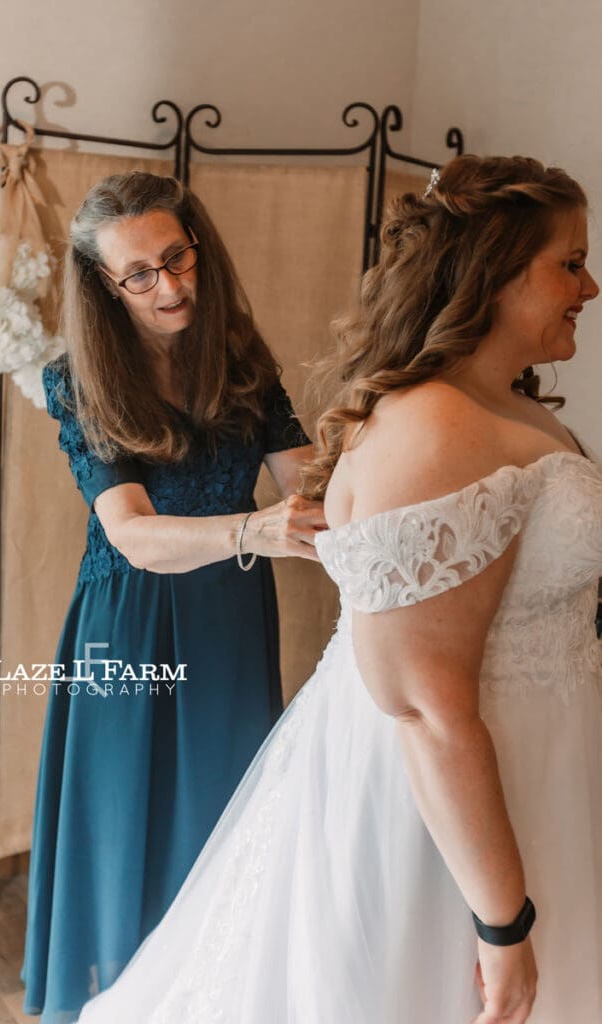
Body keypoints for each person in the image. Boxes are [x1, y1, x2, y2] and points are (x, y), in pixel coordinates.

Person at [75, 154, 602, 1024]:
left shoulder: (502, 404)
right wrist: (502, 926)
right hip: (445, 807)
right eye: (569, 261)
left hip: (539, 759)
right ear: (494, 275)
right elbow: (427, 709)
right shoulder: (435, 428)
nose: (588, 284)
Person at [21, 171, 326, 1024]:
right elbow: (132, 534)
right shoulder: (80, 380)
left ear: (199, 244)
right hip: (131, 621)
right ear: (104, 288)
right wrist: (252, 532)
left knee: (222, 816)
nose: (170, 285)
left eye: (177, 257)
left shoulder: (241, 360)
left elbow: (309, 481)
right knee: (125, 821)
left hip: (228, 620)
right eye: (141, 274)